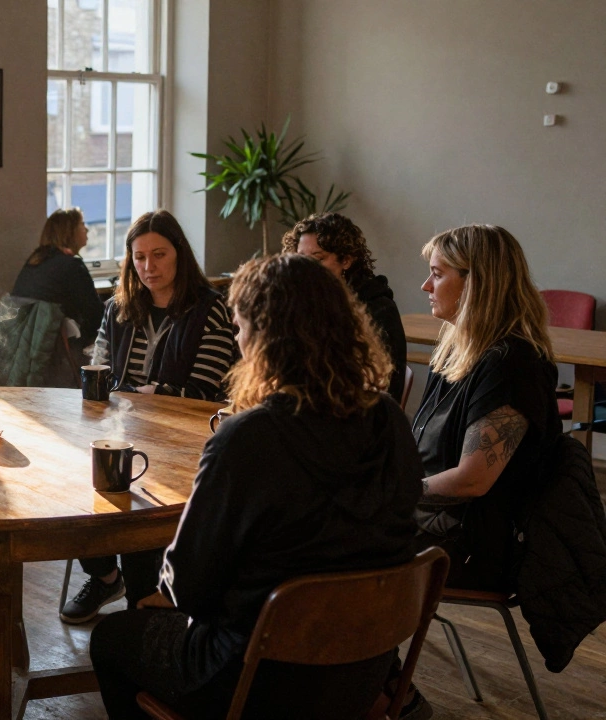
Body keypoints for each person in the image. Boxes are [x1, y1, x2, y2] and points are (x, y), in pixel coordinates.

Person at [89, 253, 422, 719]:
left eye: (241, 327)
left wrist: (163, 591)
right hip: (362, 665)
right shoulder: (388, 417)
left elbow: (189, 587)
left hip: (256, 674)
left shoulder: (248, 438)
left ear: (267, 339)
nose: (238, 341)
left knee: (111, 637)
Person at [62, 209, 236, 625]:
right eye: (139, 257)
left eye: (159, 255)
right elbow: (100, 374)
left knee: (138, 517)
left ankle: (143, 604)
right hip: (122, 432)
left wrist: (152, 395)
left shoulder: (210, 309)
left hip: (182, 440)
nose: (148, 267)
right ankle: (105, 576)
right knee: (71, 495)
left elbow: (204, 393)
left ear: (180, 254)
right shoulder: (119, 309)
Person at [413, 224, 559, 590]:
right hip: (437, 523)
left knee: (330, 541)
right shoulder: (458, 351)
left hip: (470, 545)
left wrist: (395, 494)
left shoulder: (511, 364)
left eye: (436, 275)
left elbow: (473, 479)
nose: (426, 287)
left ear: (475, 283)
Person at [282, 212, 407, 400]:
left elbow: (383, 388)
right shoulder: (304, 303)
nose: (306, 268)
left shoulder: (377, 308)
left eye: (318, 258)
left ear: (346, 260)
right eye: (301, 258)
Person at [10, 207, 105, 351]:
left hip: (25, 348)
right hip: (59, 350)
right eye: (82, 224)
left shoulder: (36, 260)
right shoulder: (71, 265)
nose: (87, 229)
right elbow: (97, 317)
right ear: (70, 231)